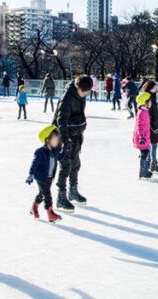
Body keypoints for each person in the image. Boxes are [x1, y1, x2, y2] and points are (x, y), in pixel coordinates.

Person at [53, 75, 93, 212]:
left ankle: (73, 191)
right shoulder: (66, 99)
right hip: (64, 136)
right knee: (65, 166)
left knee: (75, 164)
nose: (86, 94)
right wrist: (64, 140)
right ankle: (61, 197)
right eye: (85, 91)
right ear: (77, 88)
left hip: (75, 135)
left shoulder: (81, 95)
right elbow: (61, 121)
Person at [26, 125, 64, 223]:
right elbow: (34, 164)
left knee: (42, 194)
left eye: (57, 139)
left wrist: (66, 150)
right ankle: (50, 214)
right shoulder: (40, 152)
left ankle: (34, 207)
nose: (57, 141)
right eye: (55, 139)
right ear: (47, 140)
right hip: (41, 178)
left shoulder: (54, 150)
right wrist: (31, 175)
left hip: (50, 177)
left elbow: (60, 158)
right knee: (47, 195)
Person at [141, 80, 158, 173]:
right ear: (150, 88)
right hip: (151, 125)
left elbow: (155, 112)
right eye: (154, 87)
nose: (156, 88)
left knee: (153, 145)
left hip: (154, 123)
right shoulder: (148, 98)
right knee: (153, 145)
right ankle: (152, 163)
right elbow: (148, 112)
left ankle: (151, 162)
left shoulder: (152, 97)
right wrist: (154, 124)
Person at [133, 92, 154, 180]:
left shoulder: (144, 111)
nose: (151, 103)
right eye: (149, 101)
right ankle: (143, 171)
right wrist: (141, 136)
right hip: (142, 137)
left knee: (146, 152)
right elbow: (139, 125)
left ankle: (144, 170)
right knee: (144, 153)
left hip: (144, 136)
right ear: (145, 102)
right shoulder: (142, 112)